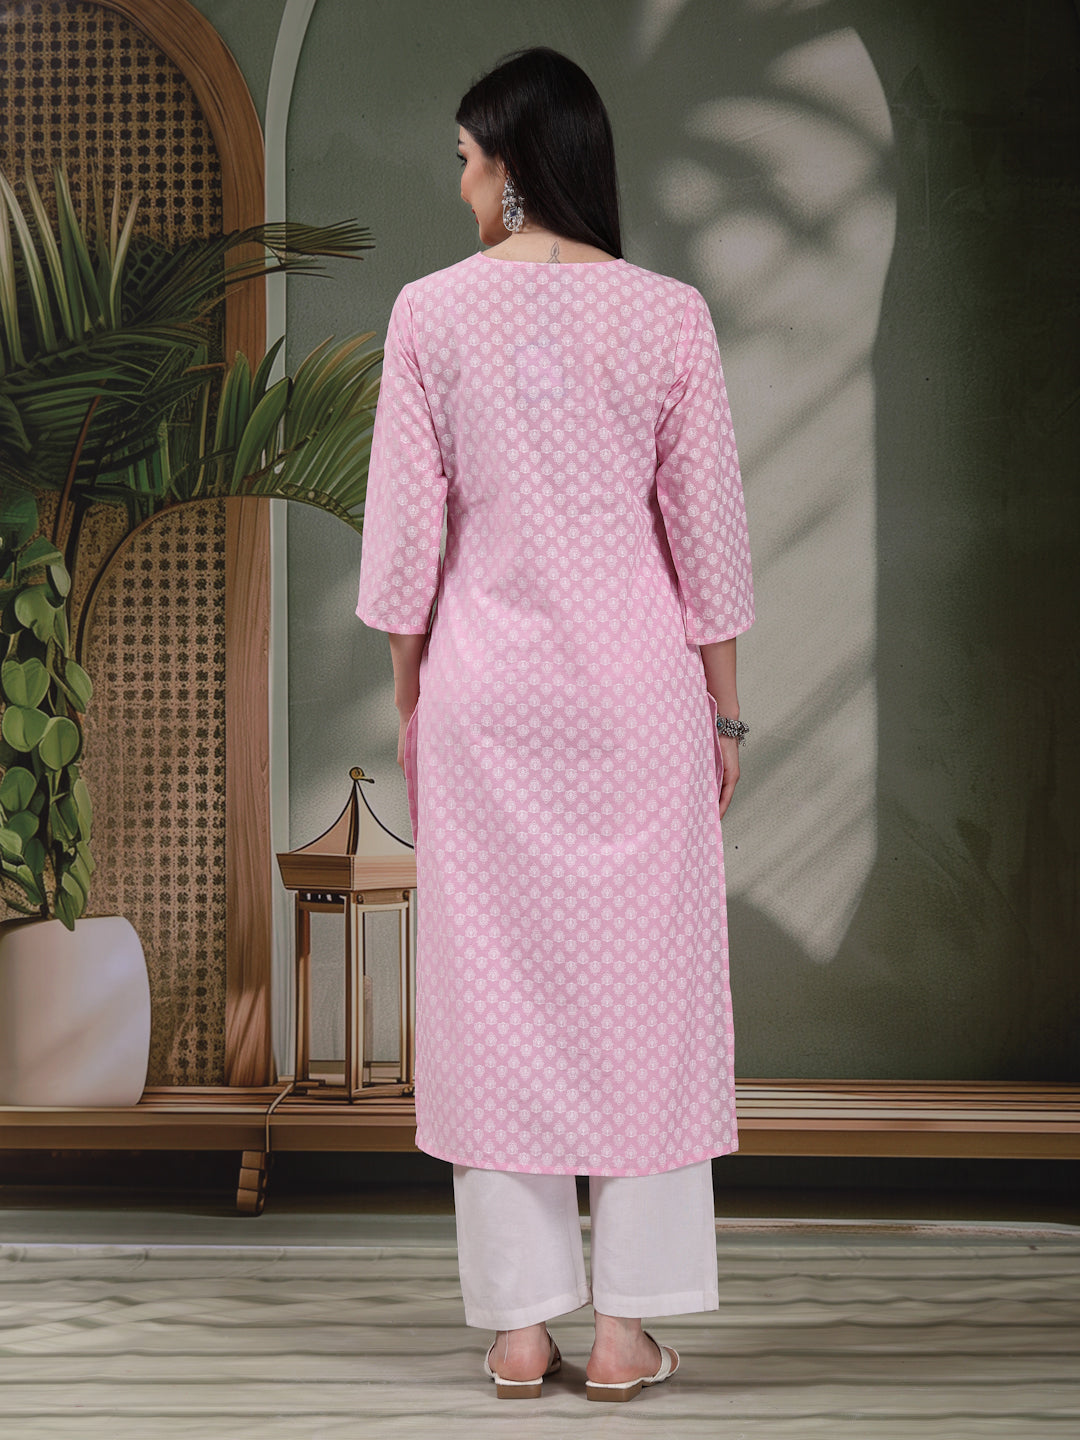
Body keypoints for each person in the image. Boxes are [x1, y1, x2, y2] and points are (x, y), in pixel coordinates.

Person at [356, 46, 753, 1403]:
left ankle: (521, 1328)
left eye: (468, 160)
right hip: (639, 706)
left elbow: (406, 547)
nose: (460, 183)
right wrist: (727, 718)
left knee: (494, 1003)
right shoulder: (669, 317)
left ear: (516, 168)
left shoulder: (429, 314)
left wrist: (413, 699)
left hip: (484, 705)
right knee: (651, 1006)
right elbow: (708, 544)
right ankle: (627, 1334)